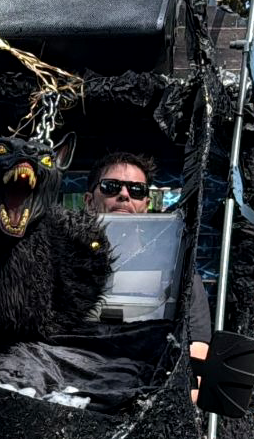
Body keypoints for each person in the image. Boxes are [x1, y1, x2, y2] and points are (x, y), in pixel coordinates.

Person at [85, 152, 211, 366]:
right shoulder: (66, 257)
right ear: (89, 201)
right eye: (110, 187)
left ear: (146, 203)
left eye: (136, 190)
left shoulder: (174, 264)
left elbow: (197, 345)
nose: (124, 195)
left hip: (149, 374)